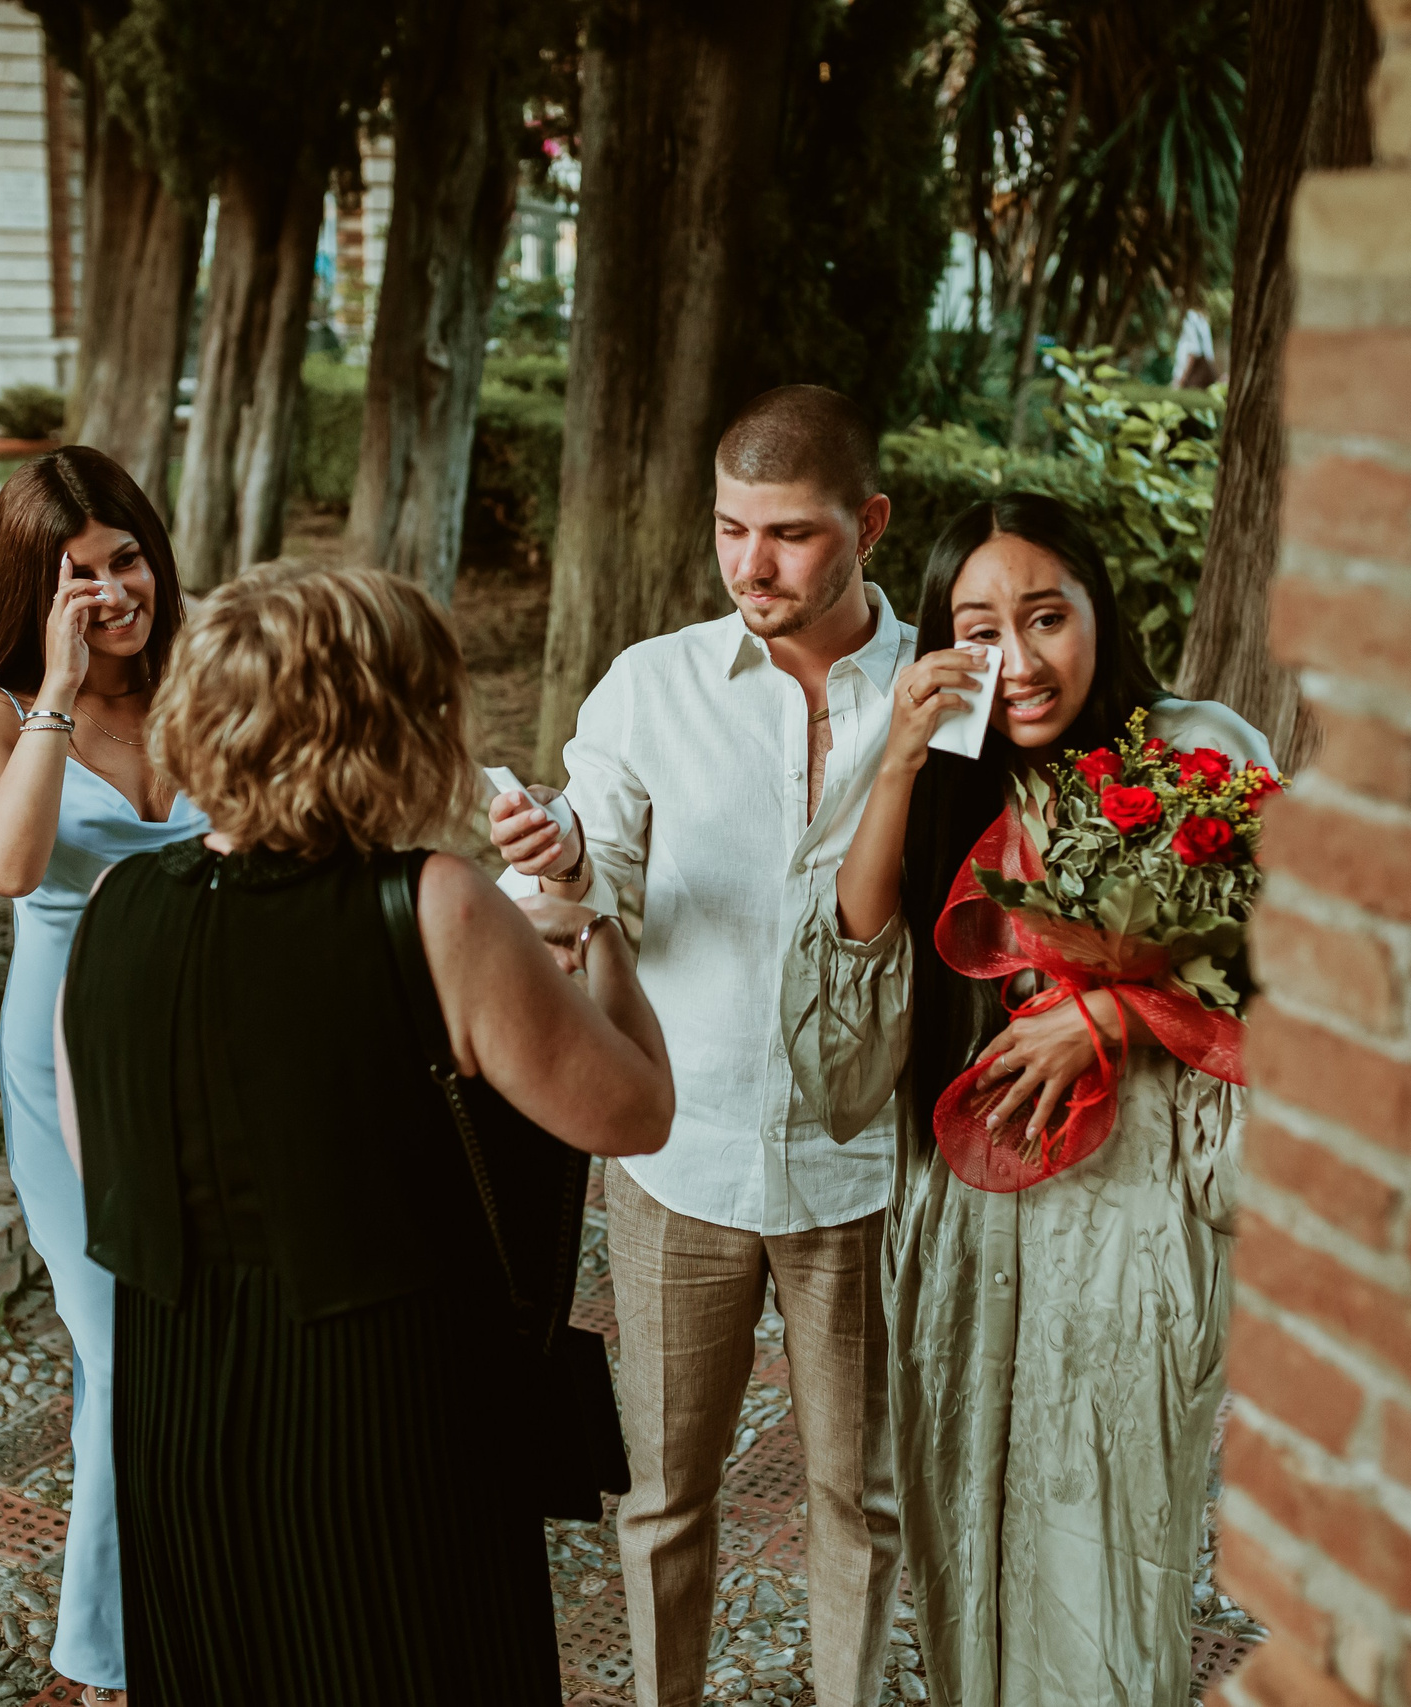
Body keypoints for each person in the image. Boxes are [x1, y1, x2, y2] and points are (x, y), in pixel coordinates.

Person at [56, 564, 674, 1704]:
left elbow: (106, 1165)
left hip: (181, 1412)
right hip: (384, 1420)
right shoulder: (433, 906)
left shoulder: (112, 909)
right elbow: (636, 1109)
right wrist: (599, 940)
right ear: (385, 727)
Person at [793, 493, 1274, 1707]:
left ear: (1099, 613)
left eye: (1047, 616)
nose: (1017, 659)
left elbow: (1308, 974)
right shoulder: (937, 781)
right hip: (965, 1226)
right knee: (965, 1540)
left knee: (1103, 1548)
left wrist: (1113, 1014)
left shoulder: (1196, 752)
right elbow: (841, 1047)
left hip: (1130, 1224)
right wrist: (899, 765)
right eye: (979, 629)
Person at [489, 385, 908, 1707]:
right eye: (731, 528)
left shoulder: (939, 694)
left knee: (862, 1499)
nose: (750, 564)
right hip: (681, 1159)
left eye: (788, 533)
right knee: (665, 1494)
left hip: (869, 1169)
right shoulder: (651, 686)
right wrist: (560, 858)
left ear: (868, 526)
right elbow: (586, 884)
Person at [0, 446, 209, 1705]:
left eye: (126, 560)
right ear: (33, 593)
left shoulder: (205, 679)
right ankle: (105, 1663)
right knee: (123, 1354)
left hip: (210, 1052)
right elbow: (4, 863)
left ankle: (204, 1610)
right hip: (69, 1068)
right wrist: (55, 689)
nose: (113, 593)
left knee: (203, 1345)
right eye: (77, 578)